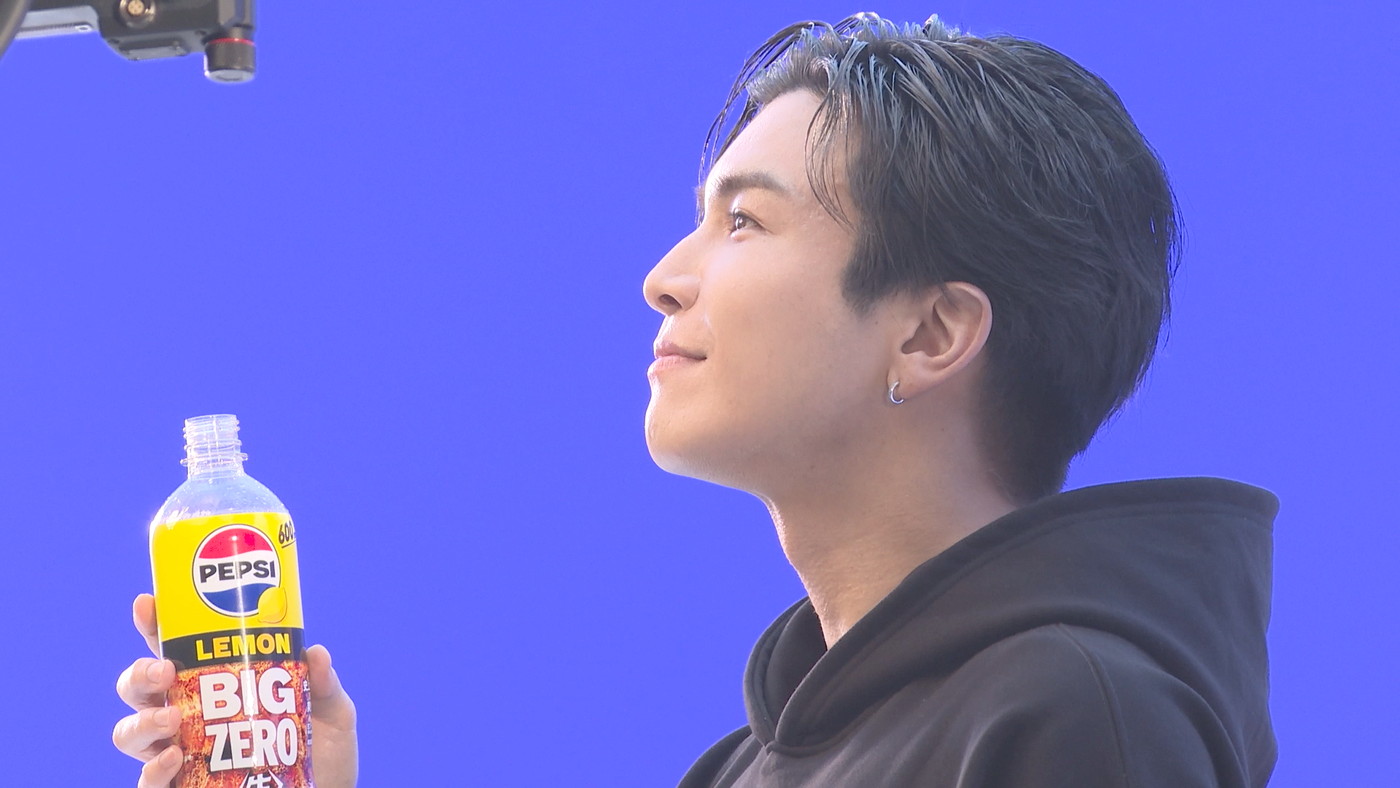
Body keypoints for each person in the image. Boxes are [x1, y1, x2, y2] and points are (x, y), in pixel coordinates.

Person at [115, 12, 1277, 787]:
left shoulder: (1073, 716)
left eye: (744, 220)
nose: (664, 275)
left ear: (929, 333)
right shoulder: (748, 764)